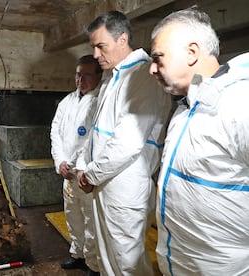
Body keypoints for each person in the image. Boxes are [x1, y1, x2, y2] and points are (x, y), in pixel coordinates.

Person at [149, 8, 249, 275]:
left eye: (158, 58)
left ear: (192, 53)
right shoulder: (187, 107)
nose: (151, 69)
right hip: (181, 261)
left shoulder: (240, 103)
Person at [76, 11, 172, 275]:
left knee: (126, 261)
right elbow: (96, 132)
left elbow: (127, 142)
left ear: (122, 40)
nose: (95, 54)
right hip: (103, 181)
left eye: (101, 46)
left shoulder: (142, 75)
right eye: (93, 47)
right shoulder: (112, 78)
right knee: (108, 256)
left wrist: (91, 174)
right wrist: (84, 166)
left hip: (125, 185)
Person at [51, 54, 103, 275]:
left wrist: (79, 166)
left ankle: (93, 263)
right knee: (73, 216)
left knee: (91, 219)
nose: (81, 79)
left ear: (99, 76)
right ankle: (78, 254)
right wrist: (60, 161)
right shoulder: (67, 101)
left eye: (87, 75)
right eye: (78, 74)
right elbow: (56, 133)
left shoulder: (101, 101)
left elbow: (91, 139)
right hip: (68, 173)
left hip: (86, 175)